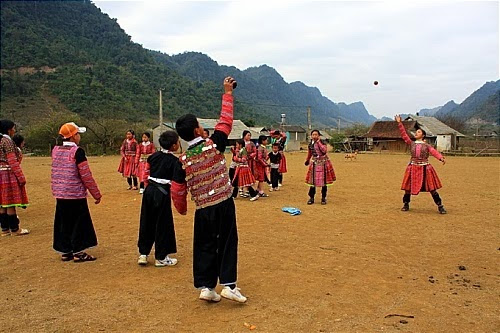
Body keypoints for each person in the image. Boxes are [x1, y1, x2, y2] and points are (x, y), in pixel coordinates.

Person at [173, 76, 247, 303]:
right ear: (198, 130)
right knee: (226, 241)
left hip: (203, 209)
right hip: (224, 202)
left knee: (204, 245)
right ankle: (229, 285)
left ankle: (206, 287)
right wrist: (227, 92)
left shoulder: (182, 160)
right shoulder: (214, 144)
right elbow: (226, 120)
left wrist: (183, 209)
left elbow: (177, 190)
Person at [51, 122, 102, 262]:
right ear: (73, 136)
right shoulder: (77, 152)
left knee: (63, 222)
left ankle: (66, 250)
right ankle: (78, 252)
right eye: (78, 134)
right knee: (79, 223)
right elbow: (86, 175)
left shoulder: (55, 150)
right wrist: (96, 193)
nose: (79, 137)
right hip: (75, 194)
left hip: (60, 193)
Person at [137, 130, 180, 267]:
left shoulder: (153, 157)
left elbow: (145, 174)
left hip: (149, 191)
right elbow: (177, 181)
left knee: (146, 220)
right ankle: (161, 257)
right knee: (162, 224)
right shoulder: (175, 161)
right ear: (174, 146)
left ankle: (143, 254)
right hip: (162, 193)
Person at [395, 115, 447, 214]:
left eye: (418, 132)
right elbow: (404, 135)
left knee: (432, 188)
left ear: (423, 135)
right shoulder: (411, 143)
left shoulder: (427, 146)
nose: (416, 133)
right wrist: (399, 123)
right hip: (413, 167)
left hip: (425, 168)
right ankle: (406, 204)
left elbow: (434, 152)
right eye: (416, 132)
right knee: (407, 188)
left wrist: (440, 158)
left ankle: (440, 206)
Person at [0, 120, 29, 236]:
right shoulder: (8, 142)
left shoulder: (1, 140)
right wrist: (21, 177)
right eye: (13, 128)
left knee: (2, 203)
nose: (14, 130)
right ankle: (15, 229)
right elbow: (12, 161)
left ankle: (5, 230)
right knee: (10, 202)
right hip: (7, 174)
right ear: (9, 130)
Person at [305, 129, 336, 205]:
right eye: (313, 135)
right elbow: (310, 153)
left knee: (324, 182)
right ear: (311, 136)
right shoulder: (310, 144)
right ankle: (311, 198)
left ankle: (323, 198)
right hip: (315, 163)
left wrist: (318, 142)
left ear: (319, 136)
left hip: (324, 163)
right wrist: (307, 160)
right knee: (313, 182)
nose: (314, 136)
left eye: (316, 135)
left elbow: (324, 151)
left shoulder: (322, 142)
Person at [250, 135, 270, 201]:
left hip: (261, 164)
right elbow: (259, 158)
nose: (267, 141)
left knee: (261, 177)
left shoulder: (261, 147)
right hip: (259, 165)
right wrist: (265, 164)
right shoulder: (260, 148)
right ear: (263, 141)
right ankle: (261, 191)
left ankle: (258, 190)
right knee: (261, 178)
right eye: (266, 140)